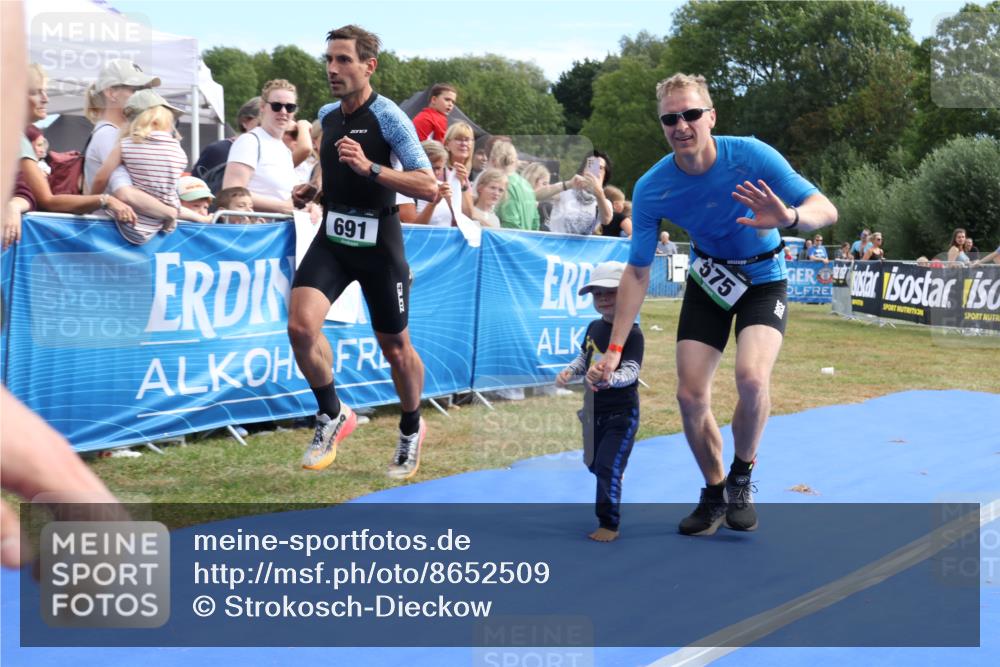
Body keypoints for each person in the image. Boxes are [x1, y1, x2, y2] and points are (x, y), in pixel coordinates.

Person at [596, 73, 837, 536]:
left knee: (750, 377)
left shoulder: (749, 153)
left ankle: (742, 477)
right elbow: (638, 271)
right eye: (670, 118)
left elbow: (824, 207)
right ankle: (714, 490)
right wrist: (614, 350)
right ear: (662, 125)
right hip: (710, 280)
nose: (681, 125)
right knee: (689, 395)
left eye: (690, 114)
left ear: (711, 116)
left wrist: (788, 217)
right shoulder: (653, 186)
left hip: (764, 277)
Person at [288, 25, 437, 480]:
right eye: (329, 59)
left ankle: (411, 426)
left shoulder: (389, 117)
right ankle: (331, 413)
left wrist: (371, 168)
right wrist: (313, 189)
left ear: (368, 66)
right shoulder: (327, 114)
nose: (333, 69)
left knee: (395, 347)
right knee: (300, 326)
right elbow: (330, 167)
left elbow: (428, 184)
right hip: (334, 235)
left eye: (344, 60)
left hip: (379, 243)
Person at [556, 261, 643, 543]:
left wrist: (609, 379)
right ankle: (615, 473)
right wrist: (572, 370)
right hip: (593, 413)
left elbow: (631, 372)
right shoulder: (593, 327)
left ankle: (609, 522)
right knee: (592, 463)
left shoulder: (633, 333)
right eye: (597, 294)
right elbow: (586, 356)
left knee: (606, 468)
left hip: (621, 414)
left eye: (610, 292)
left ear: (626, 294)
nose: (603, 299)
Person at [9, 63, 136, 249]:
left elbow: (25, 192)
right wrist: (105, 200)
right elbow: (47, 200)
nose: (45, 99)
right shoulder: (13, 134)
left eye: (44, 91)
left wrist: (15, 204)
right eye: (35, 92)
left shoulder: (18, 135)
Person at [90, 90, 188, 244]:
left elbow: (101, 177)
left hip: (129, 222)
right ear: (160, 121)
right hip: (159, 226)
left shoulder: (125, 145)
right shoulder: (179, 152)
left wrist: (91, 201)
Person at [222, 79, 303, 215]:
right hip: (256, 231)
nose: (283, 111)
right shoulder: (250, 141)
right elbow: (232, 191)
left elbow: (283, 195)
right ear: (262, 107)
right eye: (276, 106)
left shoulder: (284, 149)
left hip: (280, 229)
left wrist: (308, 206)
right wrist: (283, 207)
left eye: (290, 107)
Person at [192, 96, 261, 189]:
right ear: (245, 121)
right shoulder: (219, 150)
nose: (266, 130)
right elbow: (191, 188)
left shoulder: (277, 155)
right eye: (260, 124)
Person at [548, 151, 614, 235]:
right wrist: (568, 184)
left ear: (605, 175)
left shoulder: (604, 202)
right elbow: (538, 195)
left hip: (583, 248)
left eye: (600, 168)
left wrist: (599, 194)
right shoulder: (566, 191)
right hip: (556, 246)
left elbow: (606, 220)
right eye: (592, 166)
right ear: (583, 171)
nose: (595, 172)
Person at [397, 140, 459, 226]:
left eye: (439, 168)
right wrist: (433, 204)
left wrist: (452, 205)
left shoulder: (443, 187)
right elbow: (413, 231)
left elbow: (457, 225)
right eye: (431, 168)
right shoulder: (404, 189)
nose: (436, 173)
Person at [492, 141, 539, 231]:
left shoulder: (503, 185)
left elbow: (511, 225)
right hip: (527, 241)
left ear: (494, 161)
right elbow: (535, 222)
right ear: (515, 159)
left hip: (509, 241)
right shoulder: (527, 184)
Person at [443, 122, 476, 217]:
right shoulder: (439, 171)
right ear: (447, 144)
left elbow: (469, 215)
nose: (464, 143)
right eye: (458, 139)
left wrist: (463, 184)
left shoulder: (465, 177)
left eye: (467, 140)